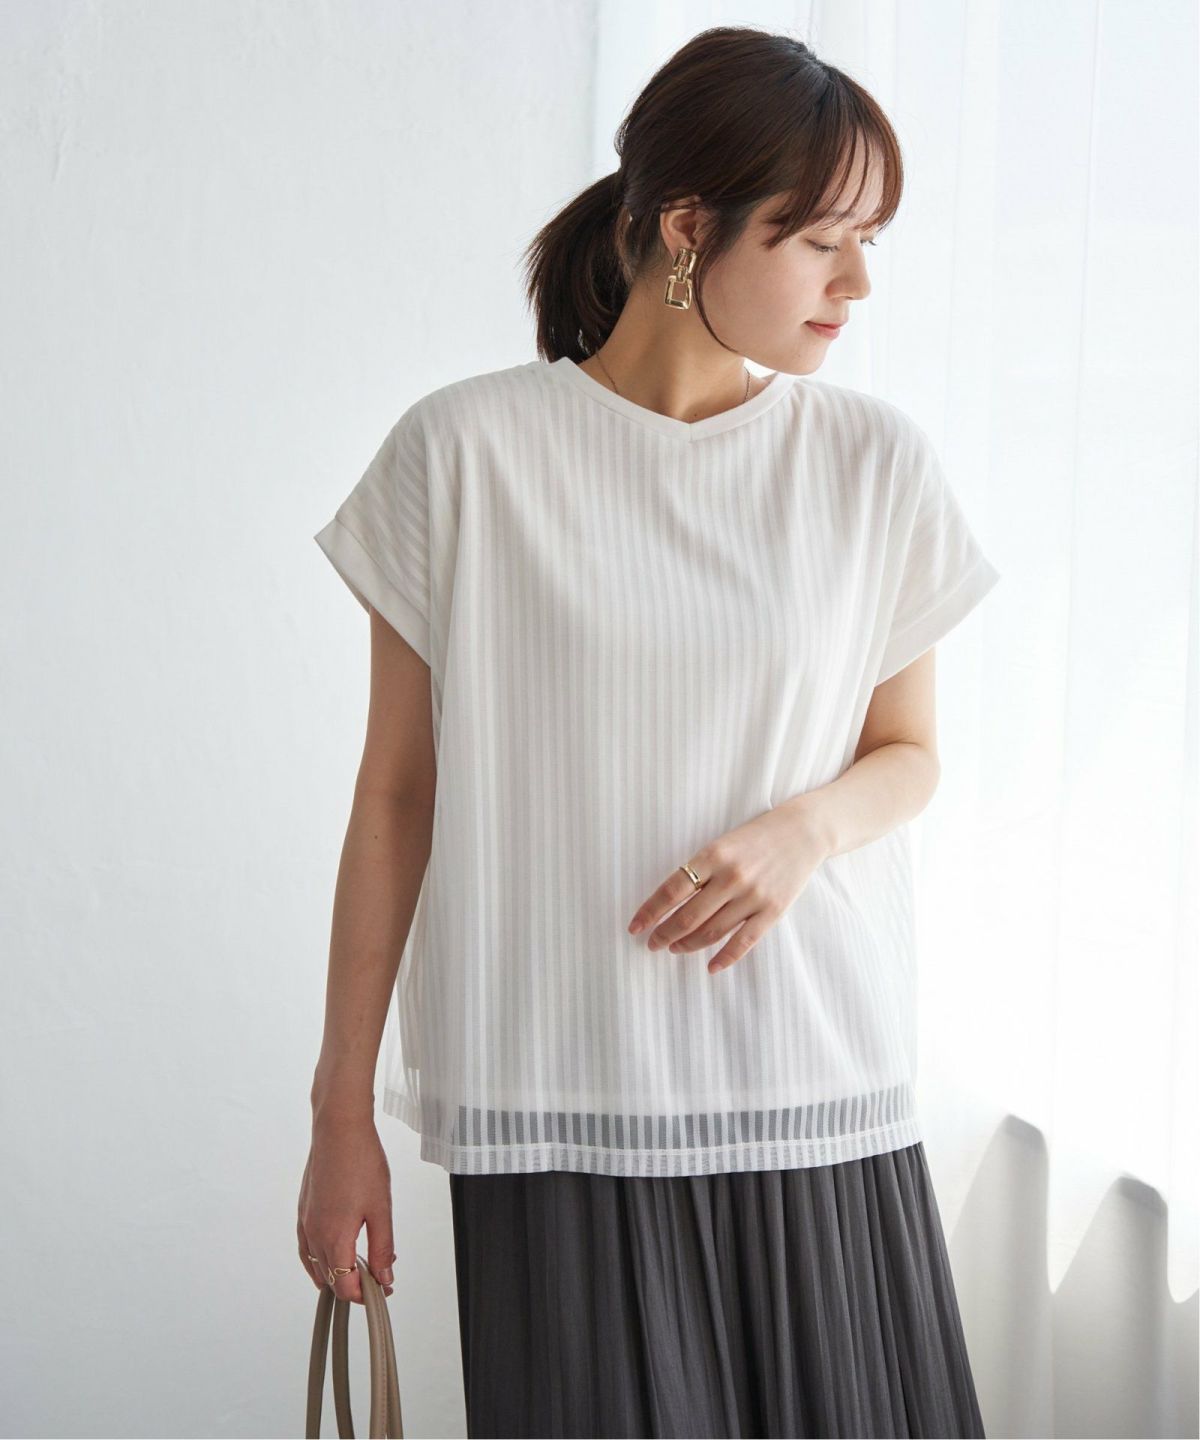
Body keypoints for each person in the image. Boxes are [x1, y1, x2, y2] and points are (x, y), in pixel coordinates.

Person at [299, 23, 1000, 1440]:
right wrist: (340, 1114)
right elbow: (396, 796)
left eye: (869, 243)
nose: (858, 283)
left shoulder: (871, 464)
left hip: (815, 1087)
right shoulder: (464, 455)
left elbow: (911, 753)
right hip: (555, 1102)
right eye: (822, 241)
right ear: (688, 228)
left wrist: (801, 833)